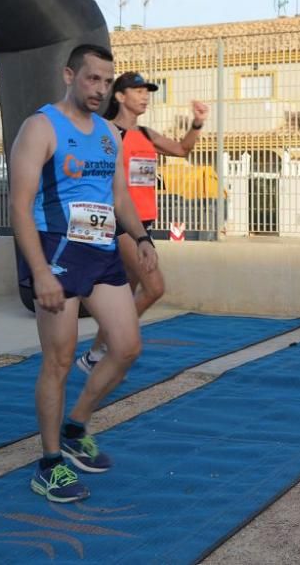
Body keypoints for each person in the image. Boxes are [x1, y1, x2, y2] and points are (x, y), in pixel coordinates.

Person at [10, 44, 158, 502]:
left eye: (107, 81)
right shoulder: (40, 127)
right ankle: (49, 464)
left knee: (127, 346)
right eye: (92, 79)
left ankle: (76, 426)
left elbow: (119, 198)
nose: (100, 89)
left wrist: (142, 237)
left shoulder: (108, 135)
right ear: (69, 75)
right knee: (57, 360)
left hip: (102, 251)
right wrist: (41, 272)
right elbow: (18, 205)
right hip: (55, 252)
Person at [75, 72, 208, 374]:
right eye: (137, 91)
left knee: (126, 294)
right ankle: (117, 339)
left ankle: (96, 353)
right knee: (154, 287)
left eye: (147, 91)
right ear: (120, 96)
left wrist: (197, 122)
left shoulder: (146, 134)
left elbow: (182, 150)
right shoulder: (108, 133)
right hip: (119, 222)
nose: (145, 96)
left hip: (143, 225)